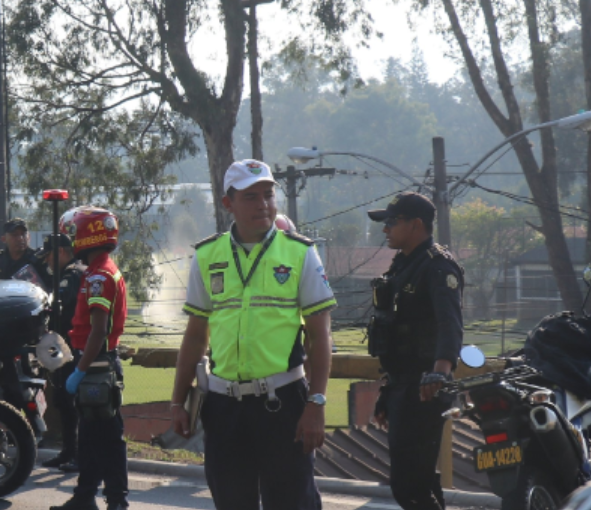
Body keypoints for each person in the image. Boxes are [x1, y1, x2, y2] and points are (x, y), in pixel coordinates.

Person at [170, 159, 336, 510]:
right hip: (223, 408)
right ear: (227, 203)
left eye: (268, 195)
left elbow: (320, 336)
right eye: (250, 197)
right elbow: (196, 336)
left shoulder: (300, 252)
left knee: (292, 504)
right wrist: (177, 401)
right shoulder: (206, 255)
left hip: (283, 404)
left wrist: (317, 403)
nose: (263, 204)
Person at [366, 192, 464, 510]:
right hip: (403, 385)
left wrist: (440, 372)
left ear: (416, 224)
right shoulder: (404, 265)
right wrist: (387, 391)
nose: (386, 229)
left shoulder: (437, 267)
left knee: (408, 484)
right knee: (416, 482)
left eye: (392, 222)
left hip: (425, 387)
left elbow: (450, 324)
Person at [51, 207, 128, 510]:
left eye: (74, 233)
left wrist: (80, 371)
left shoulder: (99, 277)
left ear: (87, 236)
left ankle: (116, 501)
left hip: (96, 367)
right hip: (94, 365)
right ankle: (84, 498)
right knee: (90, 439)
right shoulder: (99, 270)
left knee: (107, 439)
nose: (71, 241)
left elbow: (98, 331)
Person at [38, 233, 84, 473]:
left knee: (74, 403)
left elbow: (60, 306)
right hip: (63, 346)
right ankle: (68, 451)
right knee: (64, 402)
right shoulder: (67, 274)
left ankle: (79, 454)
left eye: (49, 255)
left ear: (62, 253)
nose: (46, 260)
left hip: (73, 347)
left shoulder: (72, 275)